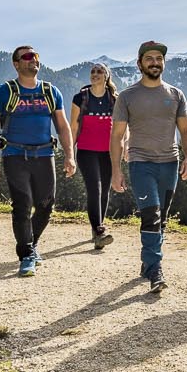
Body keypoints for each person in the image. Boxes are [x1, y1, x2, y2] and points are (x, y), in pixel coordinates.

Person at [0, 46, 75, 277]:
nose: (32, 59)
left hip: (45, 155)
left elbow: (63, 126)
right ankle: (26, 255)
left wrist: (70, 155)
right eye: (26, 56)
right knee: (22, 204)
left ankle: (30, 244)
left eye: (35, 56)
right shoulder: (4, 91)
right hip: (15, 155)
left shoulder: (50, 91)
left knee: (46, 204)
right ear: (16, 64)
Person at [109, 40, 187, 293]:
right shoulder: (127, 97)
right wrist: (116, 170)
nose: (155, 62)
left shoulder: (175, 94)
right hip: (140, 163)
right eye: (149, 58)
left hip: (170, 163)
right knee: (151, 215)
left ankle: (148, 262)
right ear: (140, 63)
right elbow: (116, 136)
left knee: (162, 218)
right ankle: (156, 270)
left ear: (164, 63)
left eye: (159, 58)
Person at [72, 62, 118, 250]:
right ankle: (99, 231)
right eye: (93, 71)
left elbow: (122, 128)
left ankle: (96, 227)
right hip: (86, 150)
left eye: (99, 71)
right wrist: (69, 153)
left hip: (108, 151)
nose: (95, 74)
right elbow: (73, 126)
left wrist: (125, 147)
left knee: (105, 190)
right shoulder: (80, 98)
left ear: (106, 77)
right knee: (95, 188)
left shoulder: (115, 99)